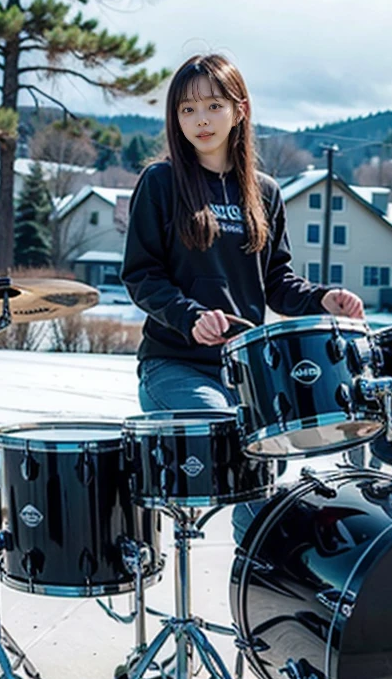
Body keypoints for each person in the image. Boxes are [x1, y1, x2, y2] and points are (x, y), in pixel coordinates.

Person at [120, 54, 366, 414]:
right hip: (175, 366)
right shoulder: (160, 182)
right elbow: (142, 276)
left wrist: (322, 300)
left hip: (248, 371)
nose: (200, 119)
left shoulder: (264, 193)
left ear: (240, 110)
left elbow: (276, 282)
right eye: (187, 110)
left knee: (274, 451)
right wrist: (191, 318)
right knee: (220, 431)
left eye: (213, 105)